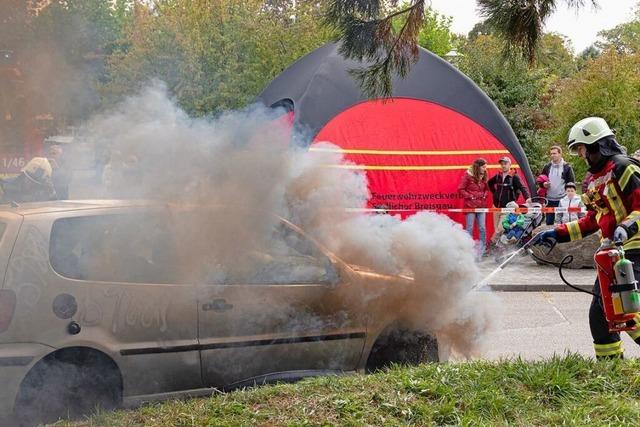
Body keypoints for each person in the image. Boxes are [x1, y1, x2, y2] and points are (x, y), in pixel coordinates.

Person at [535, 117, 640, 359]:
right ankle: (610, 370)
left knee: (625, 308)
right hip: (611, 255)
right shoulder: (592, 181)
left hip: (634, 249)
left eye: (582, 149)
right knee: (600, 314)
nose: (582, 155)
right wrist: (557, 233)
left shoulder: (624, 168)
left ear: (597, 144)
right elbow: (593, 220)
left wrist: (626, 227)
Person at [488, 157, 530, 244]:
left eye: (505, 163)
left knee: (501, 228)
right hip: (496, 207)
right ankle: (497, 247)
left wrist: (527, 198)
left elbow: (523, 187)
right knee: (496, 229)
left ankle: (491, 245)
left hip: (507, 208)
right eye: (502, 164)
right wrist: (495, 193)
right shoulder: (498, 176)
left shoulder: (514, 176)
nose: (503, 165)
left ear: (510, 165)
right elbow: (489, 183)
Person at [458, 158, 489, 258]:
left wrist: (485, 194)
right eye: (483, 167)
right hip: (470, 206)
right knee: (470, 228)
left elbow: (487, 189)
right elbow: (460, 189)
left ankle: (483, 249)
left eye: (486, 167)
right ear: (478, 167)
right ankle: (468, 250)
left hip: (481, 206)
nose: (485, 169)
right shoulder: (467, 176)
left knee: (482, 228)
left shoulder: (485, 174)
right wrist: (469, 196)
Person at [541, 146, 575, 225]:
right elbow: (540, 180)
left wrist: (570, 197)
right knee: (549, 222)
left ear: (560, 154)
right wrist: (543, 184)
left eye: (554, 153)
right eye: (551, 154)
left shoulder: (567, 167)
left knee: (563, 222)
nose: (552, 155)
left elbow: (571, 183)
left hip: (562, 200)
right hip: (549, 200)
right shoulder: (547, 167)